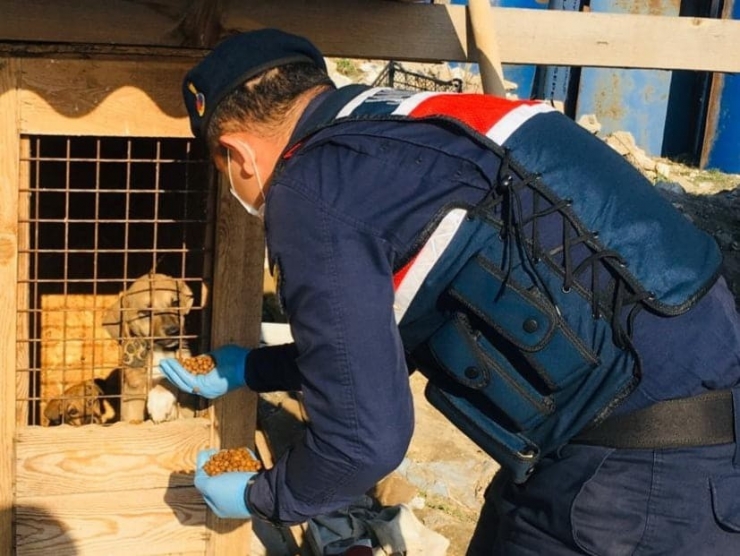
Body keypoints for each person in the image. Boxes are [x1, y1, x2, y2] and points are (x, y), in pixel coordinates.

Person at [160, 28, 740, 554]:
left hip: (634, 480)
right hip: (699, 410)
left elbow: (364, 441)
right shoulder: (406, 127)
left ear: (235, 153)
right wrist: (252, 371)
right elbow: (371, 342)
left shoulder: (311, 189)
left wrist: (263, 495)